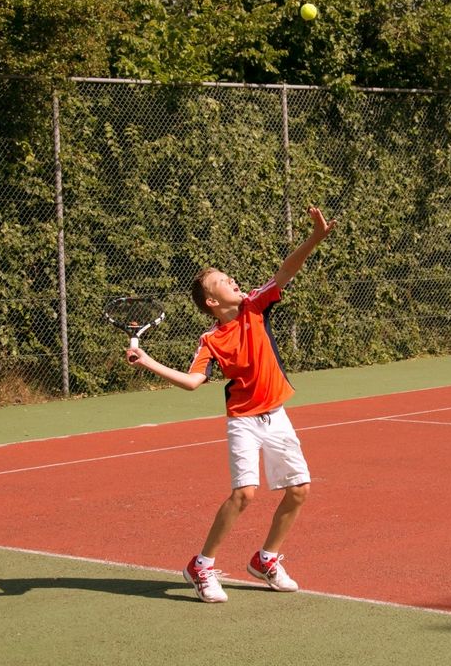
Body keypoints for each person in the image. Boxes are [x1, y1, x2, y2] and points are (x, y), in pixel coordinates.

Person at [126, 206, 336, 603]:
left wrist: (315, 238)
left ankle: (266, 560)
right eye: (223, 281)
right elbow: (192, 382)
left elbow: (286, 271)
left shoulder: (256, 306)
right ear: (210, 300)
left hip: (277, 416)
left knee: (300, 490)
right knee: (245, 494)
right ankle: (201, 565)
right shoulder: (210, 342)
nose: (232, 280)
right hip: (244, 420)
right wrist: (149, 361)